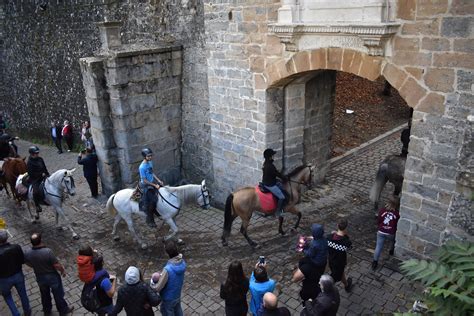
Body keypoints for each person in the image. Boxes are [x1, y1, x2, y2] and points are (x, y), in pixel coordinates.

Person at [24, 232, 74, 315]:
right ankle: (63, 310)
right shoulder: (47, 252)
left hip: (40, 277)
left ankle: (47, 310)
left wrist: (34, 266)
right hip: (52, 277)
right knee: (58, 294)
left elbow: (26, 262)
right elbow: (56, 265)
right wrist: (62, 271)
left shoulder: (28, 252)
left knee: (44, 295)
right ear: (40, 240)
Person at [293, 223, 328, 305]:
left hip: (314, 263)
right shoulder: (324, 239)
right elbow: (316, 239)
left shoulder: (315, 245)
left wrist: (302, 249)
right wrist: (309, 238)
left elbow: (310, 254)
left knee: (303, 261)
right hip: (322, 263)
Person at [150, 239, 186, 316]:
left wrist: (152, 283)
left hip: (168, 298)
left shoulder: (167, 269)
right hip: (177, 294)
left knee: (167, 312)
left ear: (167, 253)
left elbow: (158, 287)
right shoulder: (182, 262)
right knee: (178, 310)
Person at [0, 229, 31, 316]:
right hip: (18, 275)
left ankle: (16, 313)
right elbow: (22, 260)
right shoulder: (16, 247)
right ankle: (27, 311)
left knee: (7, 297)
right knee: (23, 294)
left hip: (3, 279)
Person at [372, 195, 400, 271]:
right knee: (393, 241)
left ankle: (375, 262)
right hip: (391, 232)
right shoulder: (397, 213)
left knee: (378, 247)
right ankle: (391, 250)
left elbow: (379, 220)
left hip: (381, 231)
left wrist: (380, 225)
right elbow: (397, 223)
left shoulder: (382, 210)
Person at [138, 147, 164, 228]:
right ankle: (150, 220)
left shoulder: (150, 163)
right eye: (148, 156)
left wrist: (158, 180)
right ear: (144, 157)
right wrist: (154, 185)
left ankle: (158, 211)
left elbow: (152, 173)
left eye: (151, 155)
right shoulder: (142, 167)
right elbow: (145, 180)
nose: (150, 157)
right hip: (146, 185)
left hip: (152, 183)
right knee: (151, 202)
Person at [326, 219, 353, 292]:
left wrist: (334, 234)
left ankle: (347, 285)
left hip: (331, 261)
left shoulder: (329, 237)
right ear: (346, 228)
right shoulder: (346, 242)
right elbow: (349, 247)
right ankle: (327, 291)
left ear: (337, 226)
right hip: (340, 263)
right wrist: (346, 236)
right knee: (334, 278)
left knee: (341, 274)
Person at [262, 148, 286, 217]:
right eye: (272, 155)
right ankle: (278, 212)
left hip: (268, 181)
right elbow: (277, 174)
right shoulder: (270, 166)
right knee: (282, 197)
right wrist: (284, 177)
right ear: (270, 157)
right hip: (270, 184)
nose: (273, 156)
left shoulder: (266, 163)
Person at [26, 145, 50, 212]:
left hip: (43, 176)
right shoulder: (29, 162)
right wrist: (40, 174)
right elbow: (31, 173)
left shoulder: (40, 159)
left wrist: (47, 174)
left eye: (37, 153)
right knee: (35, 192)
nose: (37, 154)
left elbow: (44, 168)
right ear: (32, 154)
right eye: (35, 153)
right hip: (35, 179)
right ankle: (37, 205)